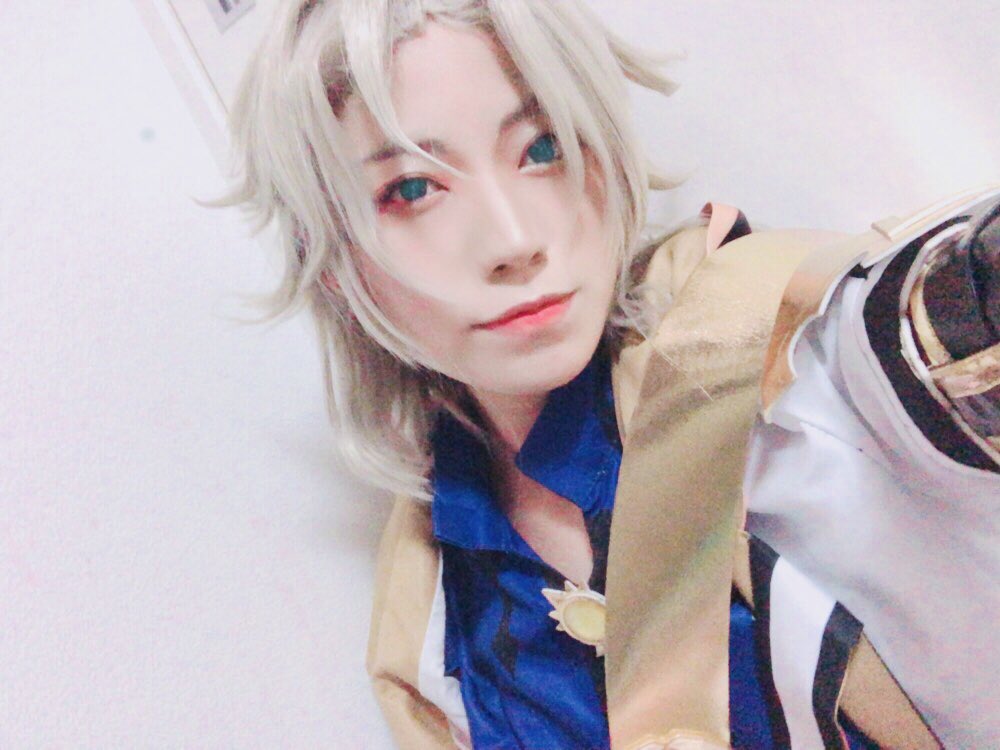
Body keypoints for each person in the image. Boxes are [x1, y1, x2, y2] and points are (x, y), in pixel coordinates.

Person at [223, 1, 1000, 747]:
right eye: (414, 190)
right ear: (333, 265)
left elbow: (930, 323)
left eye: (542, 148)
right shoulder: (431, 633)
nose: (513, 239)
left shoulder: (772, 351)